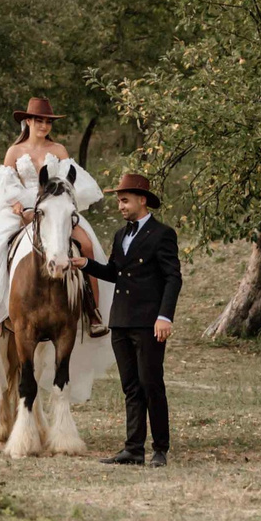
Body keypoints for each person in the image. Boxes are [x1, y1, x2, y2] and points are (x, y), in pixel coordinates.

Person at [0, 97, 116, 419]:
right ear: (27, 121)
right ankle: (0, 309)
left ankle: (92, 310)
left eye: (48, 122)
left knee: (85, 245)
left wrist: (54, 206)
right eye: (39, 121)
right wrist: (21, 209)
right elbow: (4, 189)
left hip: (54, 212)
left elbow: (71, 187)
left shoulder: (59, 151)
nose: (44, 126)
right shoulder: (15, 153)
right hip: (23, 215)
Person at [79, 171, 181, 467]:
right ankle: (133, 449)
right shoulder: (121, 235)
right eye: (119, 201)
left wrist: (165, 316)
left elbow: (173, 278)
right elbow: (114, 272)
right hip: (121, 320)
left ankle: (160, 448)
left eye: (124, 200)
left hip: (149, 322)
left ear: (142, 200)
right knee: (131, 387)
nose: (121, 206)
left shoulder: (163, 234)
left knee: (151, 383)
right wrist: (85, 264)